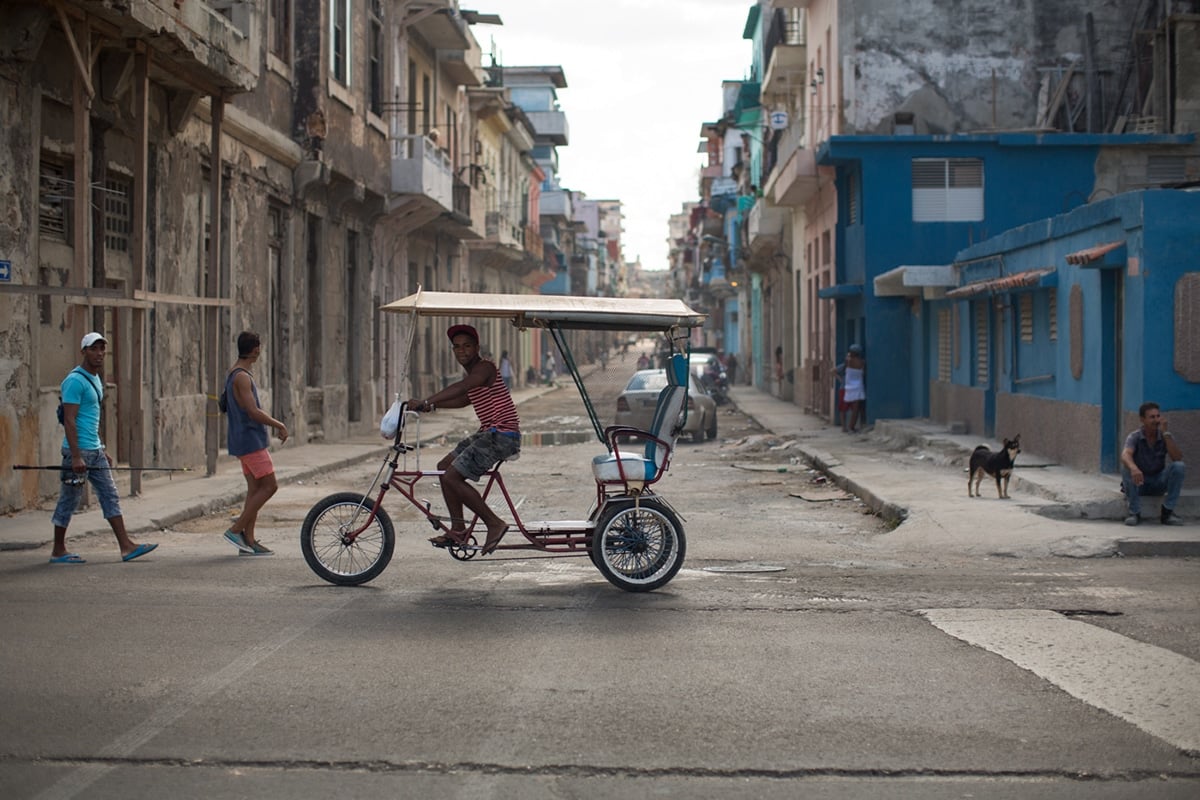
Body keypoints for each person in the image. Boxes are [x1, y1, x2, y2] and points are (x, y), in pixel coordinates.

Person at [409, 324, 519, 554]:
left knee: (452, 477)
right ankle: (458, 529)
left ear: (477, 348)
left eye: (467, 346)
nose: (462, 351)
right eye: (457, 347)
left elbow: (463, 388)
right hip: (487, 433)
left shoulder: (484, 368)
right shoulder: (473, 374)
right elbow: (463, 400)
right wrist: (430, 407)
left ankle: (494, 523)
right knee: (443, 468)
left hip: (502, 435)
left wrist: (427, 401)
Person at [49, 332, 158, 564]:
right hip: (76, 453)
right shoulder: (74, 381)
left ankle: (126, 546)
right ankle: (58, 550)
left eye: (102, 349)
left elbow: (90, 419)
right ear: (84, 351)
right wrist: (77, 456)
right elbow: (70, 420)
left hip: (94, 451)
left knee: (110, 495)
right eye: (94, 349)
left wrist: (101, 447)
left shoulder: (96, 379)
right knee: (69, 500)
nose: (99, 354)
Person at [222, 331, 289, 555]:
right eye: (259, 347)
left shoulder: (235, 373)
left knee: (254, 490)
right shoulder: (241, 376)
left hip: (243, 439)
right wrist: (278, 424)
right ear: (255, 350)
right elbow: (252, 411)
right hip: (250, 440)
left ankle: (248, 541)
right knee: (270, 486)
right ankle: (236, 529)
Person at [1120, 401, 1186, 526]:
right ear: (1142, 420)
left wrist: (1166, 433)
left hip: (1158, 481)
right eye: (1152, 417)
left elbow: (1177, 458)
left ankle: (1167, 513)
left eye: (1157, 416)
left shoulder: (1165, 436)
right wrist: (1134, 468)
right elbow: (1125, 454)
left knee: (1179, 466)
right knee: (1126, 467)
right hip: (1139, 482)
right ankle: (1134, 512)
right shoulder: (1134, 436)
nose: (1156, 420)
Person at [834, 344, 866, 433]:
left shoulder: (848, 361)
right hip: (858, 386)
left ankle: (844, 427)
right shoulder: (862, 362)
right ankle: (851, 426)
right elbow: (863, 372)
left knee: (843, 408)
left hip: (848, 386)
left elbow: (841, 367)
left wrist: (840, 379)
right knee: (855, 409)